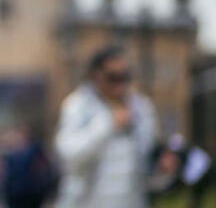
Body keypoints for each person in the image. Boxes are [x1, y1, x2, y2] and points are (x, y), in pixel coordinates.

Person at [54, 46, 158, 207]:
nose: (120, 84)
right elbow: (69, 157)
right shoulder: (78, 106)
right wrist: (109, 125)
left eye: (125, 76)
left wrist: (165, 163)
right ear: (96, 76)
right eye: (113, 77)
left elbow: (148, 158)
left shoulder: (140, 107)